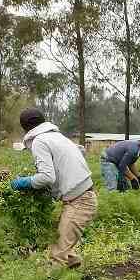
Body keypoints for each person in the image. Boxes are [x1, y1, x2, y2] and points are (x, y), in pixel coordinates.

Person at [10, 108, 98, 269]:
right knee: (66, 252)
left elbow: (46, 177)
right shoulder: (57, 136)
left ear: (25, 128)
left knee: (57, 255)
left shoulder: (39, 141)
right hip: (82, 197)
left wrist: (24, 182)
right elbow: (80, 151)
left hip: (80, 201)